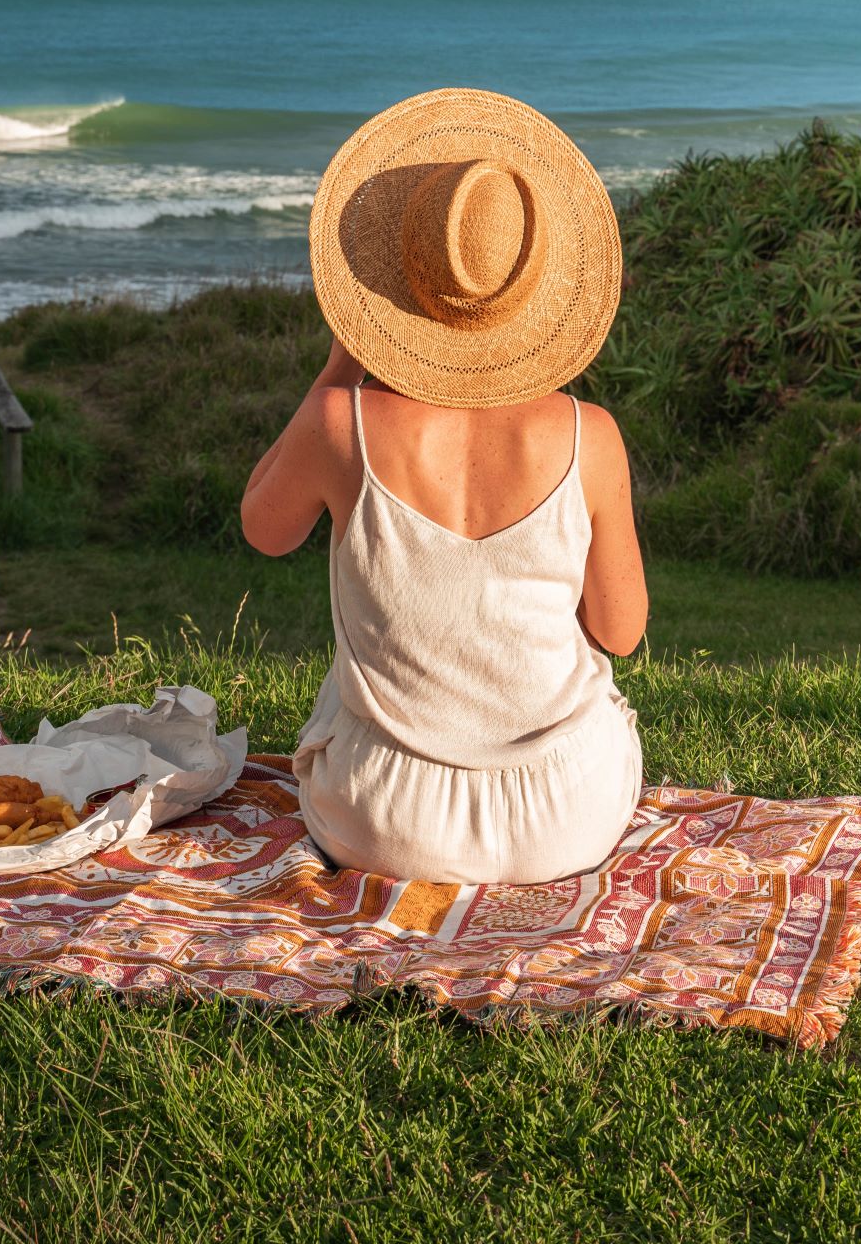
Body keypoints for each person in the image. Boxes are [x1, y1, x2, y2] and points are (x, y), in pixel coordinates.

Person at [239, 87, 648, 884]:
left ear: (397, 272)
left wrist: (338, 368)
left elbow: (263, 527)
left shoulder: (341, 422)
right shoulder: (589, 436)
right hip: (566, 812)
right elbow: (621, 631)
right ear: (533, 292)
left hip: (384, 818)